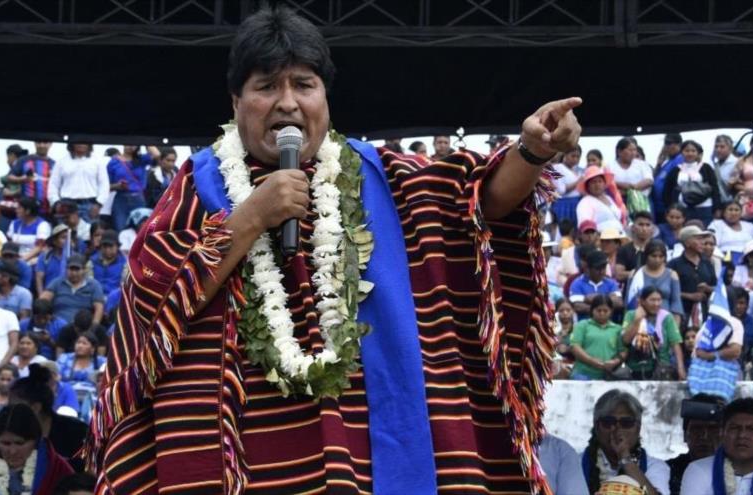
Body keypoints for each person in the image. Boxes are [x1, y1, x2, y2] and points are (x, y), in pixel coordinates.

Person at [88, 6, 584, 494]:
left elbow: (482, 204)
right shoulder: (199, 186)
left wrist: (532, 152)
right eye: (266, 86)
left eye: (304, 85)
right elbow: (154, 306)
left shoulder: (385, 177)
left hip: (376, 454)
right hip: (256, 455)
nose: (287, 103)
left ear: (325, 96)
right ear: (236, 101)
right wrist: (252, 217)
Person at [680, 398, 753, 495]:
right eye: (734, 428)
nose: (742, 435)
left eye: (752, 429)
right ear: (722, 434)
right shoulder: (699, 471)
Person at [0, 403, 74, 494]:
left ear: (36, 441)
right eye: (6, 443)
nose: (12, 451)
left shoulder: (59, 472)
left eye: (20, 443)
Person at [580, 389, 669, 495]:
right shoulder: (575, 463)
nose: (617, 429)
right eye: (609, 422)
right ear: (597, 426)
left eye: (626, 423)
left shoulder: (655, 466)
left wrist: (625, 458)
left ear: (638, 428)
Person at [9, 365, 87, 472]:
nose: (10, 412)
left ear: (36, 407)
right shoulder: (10, 434)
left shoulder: (77, 431)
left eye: (14, 407)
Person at [621, 287, 685, 380]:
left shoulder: (667, 317)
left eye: (659, 300)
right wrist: (637, 320)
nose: (656, 304)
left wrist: (680, 368)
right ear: (642, 301)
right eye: (652, 300)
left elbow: (675, 343)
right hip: (634, 367)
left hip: (661, 368)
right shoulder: (631, 315)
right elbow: (625, 340)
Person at [667, 394, 724, 495]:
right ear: (685, 435)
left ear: (723, 435)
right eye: (697, 429)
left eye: (712, 429)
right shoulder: (667, 471)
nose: (704, 436)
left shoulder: (737, 470)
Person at [663, 140, 721, 227]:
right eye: (687, 151)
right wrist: (670, 208)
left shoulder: (706, 168)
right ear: (682, 152)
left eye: (693, 151)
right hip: (683, 208)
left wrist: (717, 208)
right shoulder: (675, 170)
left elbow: (714, 188)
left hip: (704, 208)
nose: (690, 153)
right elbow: (667, 191)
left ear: (698, 153)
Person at [47, 143, 110, 223]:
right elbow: (53, 184)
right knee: (66, 234)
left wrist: (99, 204)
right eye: (78, 142)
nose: (81, 144)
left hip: (90, 205)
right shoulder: (61, 162)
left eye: (84, 142)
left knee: (88, 234)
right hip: (66, 204)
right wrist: (55, 202)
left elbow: (104, 185)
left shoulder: (98, 162)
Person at [568, 295, 626, 380]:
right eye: (599, 310)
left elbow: (623, 351)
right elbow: (574, 346)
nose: (602, 313)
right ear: (592, 310)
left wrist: (615, 362)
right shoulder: (583, 325)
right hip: (583, 374)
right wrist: (591, 360)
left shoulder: (617, 329)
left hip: (608, 376)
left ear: (611, 311)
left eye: (605, 311)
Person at [624, 240, 684, 322]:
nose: (657, 260)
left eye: (661, 256)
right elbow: (629, 303)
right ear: (646, 256)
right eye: (654, 256)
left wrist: (675, 328)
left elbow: (676, 304)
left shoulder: (672, 275)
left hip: (665, 323)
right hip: (641, 323)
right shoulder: (636, 274)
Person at [668, 226, 717, 324]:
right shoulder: (674, 264)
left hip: (704, 313)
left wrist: (708, 288)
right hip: (681, 314)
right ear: (687, 243)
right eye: (698, 239)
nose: (703, 242)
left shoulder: (707, 263)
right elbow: (667, 291)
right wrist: (689, 296)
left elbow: (717, 287)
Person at [39, 255, 104, 324]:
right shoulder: (57, 282)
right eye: (71, 269)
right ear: (66, 269)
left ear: (84, 270)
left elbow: (99, 309)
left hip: (83, 326)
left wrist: (93, 327)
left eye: (77, 269)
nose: (74, 273)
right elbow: (42, 301)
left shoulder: (94, 285)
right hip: (58, 324)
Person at [107, 145, 158, 231]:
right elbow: (106, 186)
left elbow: (157, 155)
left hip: (138, 198)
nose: (130, 146)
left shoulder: (141, 159)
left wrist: (144, 140)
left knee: (141, 229)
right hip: (121, 199)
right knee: (121, 228)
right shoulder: (114, 162)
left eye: (134, 144)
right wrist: (117, 186)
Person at [7, 141, 56, 217]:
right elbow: (10, 177)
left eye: (45, 143)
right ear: (35, 143)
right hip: (27, 210)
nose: (42, 145)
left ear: (50, 144)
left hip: (48, 210)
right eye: (39, 142)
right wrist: (23, 179)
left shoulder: (54, 164)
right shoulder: (24, 160)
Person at [569, 250, 623, 319]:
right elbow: (577, 306)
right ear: (588, 269)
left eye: (603, 268)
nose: (602, 271)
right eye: (598, 268)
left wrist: (594, 299)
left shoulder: (611, 283)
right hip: (585, 326)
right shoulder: (577, 284)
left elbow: (619, 303)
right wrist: (607, 301)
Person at [608, 137, 653, 216]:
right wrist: (624, 185)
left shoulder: (642, 164)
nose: (633, 153)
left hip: (641, 203)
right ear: (619, 151)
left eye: (634, 150)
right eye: (630, 150)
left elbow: (649, 181)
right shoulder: (610, 166)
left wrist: (632, 188)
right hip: (617, 203)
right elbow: (608, 183)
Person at [576, 166, 626, 232]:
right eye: (593, 182)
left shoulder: (609, 198)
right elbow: (585, 226)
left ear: (604, 184)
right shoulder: (585, 202)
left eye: (600, 181)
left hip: (619, 236)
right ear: (587, 186)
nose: (597, 185)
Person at [651, 133, 684, 224]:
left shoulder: (680, 159)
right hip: (659, 206)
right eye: (665, 143)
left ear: (678, 144)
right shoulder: (667, 162)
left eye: (668, 143)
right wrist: (658, 164)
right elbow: (654, 178)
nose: (666, 147)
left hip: (669, 207)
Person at [5, 197, 50, 262]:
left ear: (28, 211)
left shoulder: (42, 225)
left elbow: (40, 247)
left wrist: (23, 260)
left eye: (19, 208)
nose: (16, 210)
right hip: (15, 259)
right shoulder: (14, 223)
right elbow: (9, 242)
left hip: (34, 260)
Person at [615, 211, 655, 281]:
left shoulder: (656, 249)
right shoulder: (624, 250)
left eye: (647, 225)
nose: (644, 229)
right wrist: (641, 273)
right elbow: (619, 275)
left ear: (652, 229)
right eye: (641, 224)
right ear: (633, 227)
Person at [551, 145, 582, 227]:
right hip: (564, 205)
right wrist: (579, 181)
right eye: (573, 156)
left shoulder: (578, 170)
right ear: (565, 155)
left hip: (577, 203)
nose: (575, 159)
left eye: (578, 157)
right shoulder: (557, 168)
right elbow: (561, 190)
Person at [88, 231, 126, 296]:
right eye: (105, 246)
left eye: (111, 246)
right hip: (95, 297)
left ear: (117, 246)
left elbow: (123, 286)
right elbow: (89, 283)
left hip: (115, 299)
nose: (107, 250)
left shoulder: (124, 264)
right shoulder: (92, 262)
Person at [35, 224, 69, 291]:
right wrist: (42, 298)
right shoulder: (45, 257)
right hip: (50, 294)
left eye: (68, 238)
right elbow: (39, 279)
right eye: (63, 238)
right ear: (54, 241)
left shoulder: (74, 257)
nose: (67, 241)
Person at [711, 135, 738, 201]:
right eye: (716, 147)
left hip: (733, 203)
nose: (718, 149)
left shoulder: (737, 163)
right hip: (718, 202)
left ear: (730, 148)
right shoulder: (713, 164)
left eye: (722, 147)